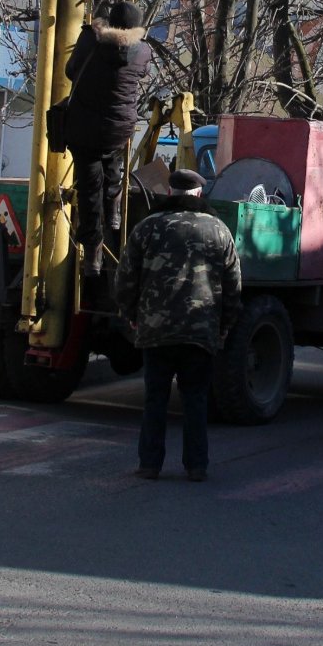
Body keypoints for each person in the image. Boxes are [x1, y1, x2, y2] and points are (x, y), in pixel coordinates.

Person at [115, 168, 241, 481]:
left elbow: (126, 277)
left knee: (155, 399)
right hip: (200, 331)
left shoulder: (147, 228)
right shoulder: (218, 230)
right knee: (195, 399)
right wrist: (223, 326)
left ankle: (149, 464)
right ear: (198, 194)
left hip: (156, 330)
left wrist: (131, 314)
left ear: (170, 193)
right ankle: (196, 466)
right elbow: (233, 285)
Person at [61, 0, 152, 277]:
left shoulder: (90, 40)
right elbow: (145, 72)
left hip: (85, 127)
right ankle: (113, 211)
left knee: (89, 191)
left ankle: (93, 255)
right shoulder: (142, 51)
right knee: (111, 161)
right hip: (118, 128)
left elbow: (70, 71)